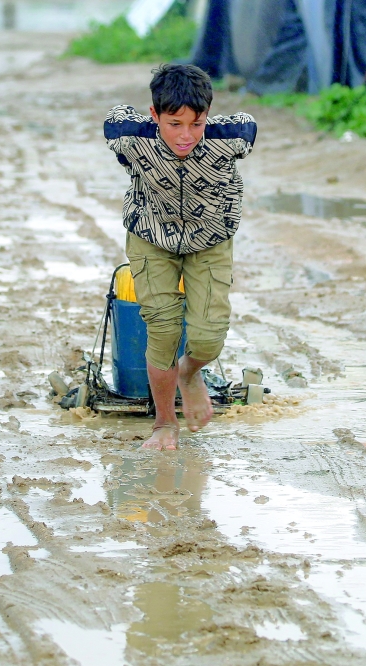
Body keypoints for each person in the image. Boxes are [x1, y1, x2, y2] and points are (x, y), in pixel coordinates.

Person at [104, 63, 257, 451]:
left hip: (210, 239)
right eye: (174, 124)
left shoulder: (230, 139)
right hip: (151, 236)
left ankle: (189, 375)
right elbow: (114, 120)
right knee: (164, 329)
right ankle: (164, 424)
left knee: (208, 339)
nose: (186, 135)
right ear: (154, 116)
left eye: (196, 123)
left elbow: (247, 123)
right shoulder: (133, 138)